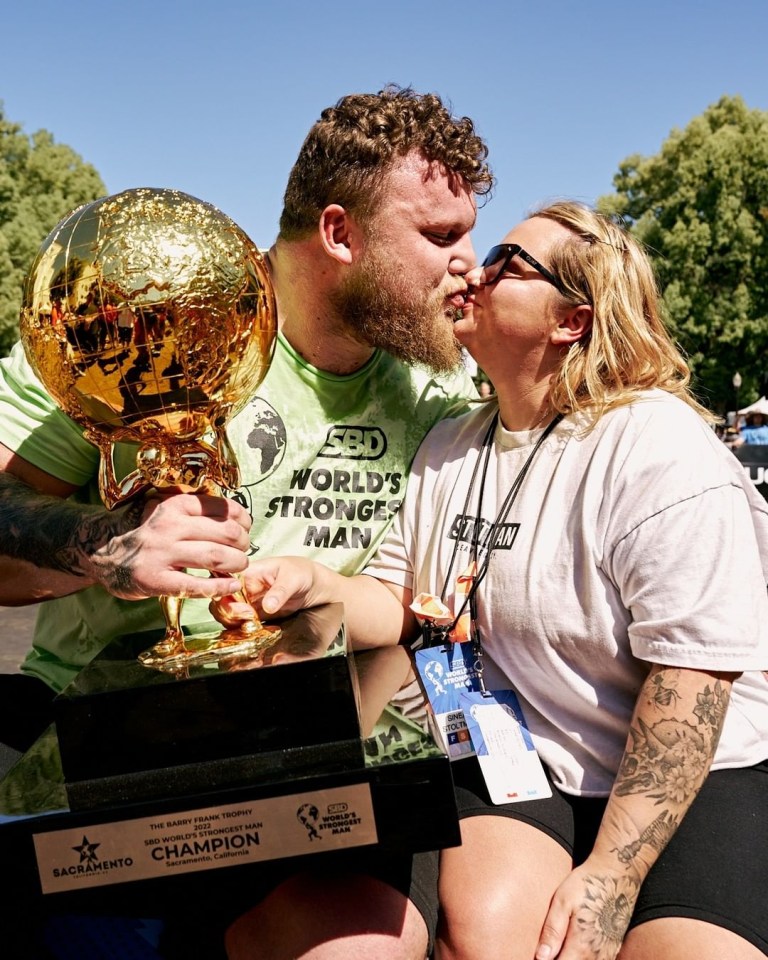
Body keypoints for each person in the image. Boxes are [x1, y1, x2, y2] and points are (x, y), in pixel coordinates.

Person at [0, 85, 492, 959]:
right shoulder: (144, 313)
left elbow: (424, 597)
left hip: (322, 749)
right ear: (340, 234)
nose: (469, 262)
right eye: (440, 236)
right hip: (99, 736)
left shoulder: (439, 390)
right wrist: (110, 548)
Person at [228, 202, 768, 960]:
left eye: (509, 263)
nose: (475, 271)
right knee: (487, 938)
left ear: (571, 322)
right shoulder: (452, 442)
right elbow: (397, 597)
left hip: (697, 768)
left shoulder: (660, 449)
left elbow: (693, 682)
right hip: (527, 751)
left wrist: (610, 877)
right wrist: (311, 586)